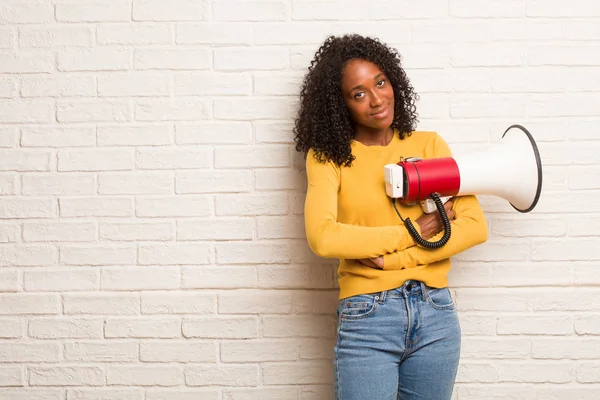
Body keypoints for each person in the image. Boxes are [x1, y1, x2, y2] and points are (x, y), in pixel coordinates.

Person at [293, 34, 489, 400]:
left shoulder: (429, 146)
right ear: (341, 105)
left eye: (380, 82)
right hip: (367, 316)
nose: (377, 99)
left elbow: (475, 226)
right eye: (359, 93)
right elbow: (323, 236)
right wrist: (416, 230)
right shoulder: (327, 156)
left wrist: (395, 258)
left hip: (436, 314)